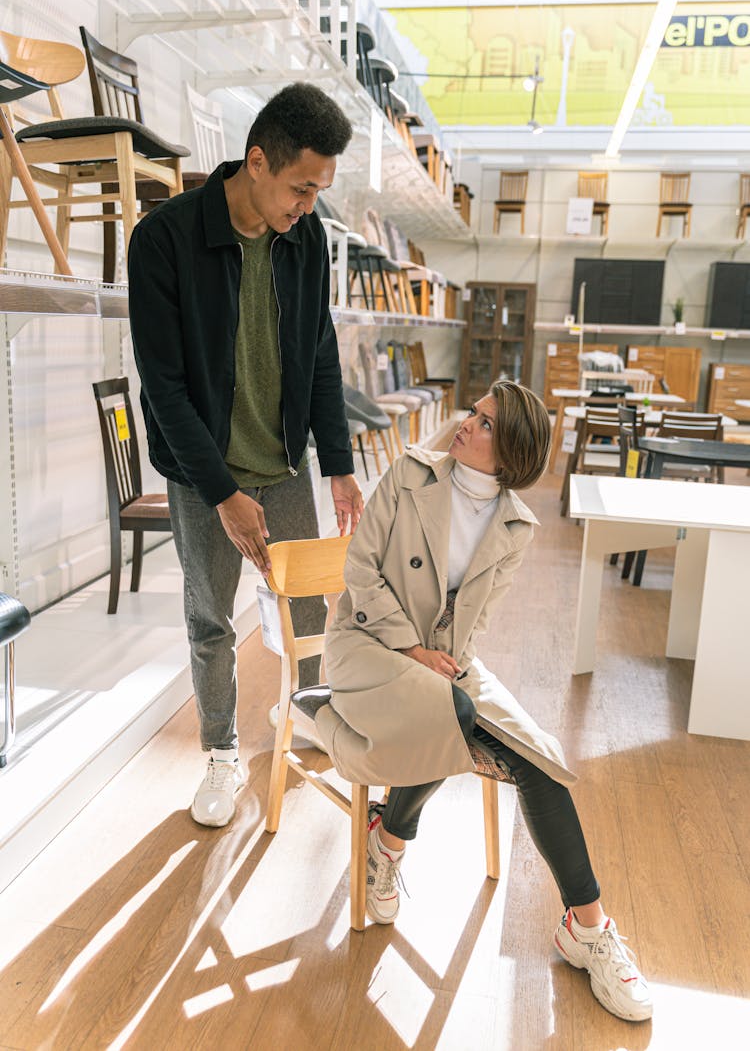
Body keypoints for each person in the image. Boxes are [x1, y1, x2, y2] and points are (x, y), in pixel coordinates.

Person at [310, 381, 652, 1023]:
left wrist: (444, 660)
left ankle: (589, 927)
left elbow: (478, 619)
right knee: (452, 712)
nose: (467, 423)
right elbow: (359, 571)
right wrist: (414, 652)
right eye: (474, 413)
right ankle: (392, 840)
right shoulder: (409, 474)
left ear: (511, 453)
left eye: (486, 423)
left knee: (539, 758)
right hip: (365, 646)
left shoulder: (517, 526)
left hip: (444, 664)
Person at [128, 83, 363, 829]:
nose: (308, 204)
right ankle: (222, 754)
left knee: (307, 604)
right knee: (210, 619)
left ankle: (313, 711)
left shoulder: (307, 237)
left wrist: (339, 460)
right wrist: (224, 491)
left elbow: (320, 349)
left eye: (320, 190)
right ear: (256, 161)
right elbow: (163, 387)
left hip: (284, 462)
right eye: (301, 187)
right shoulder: (163, 240)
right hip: (205, 476)